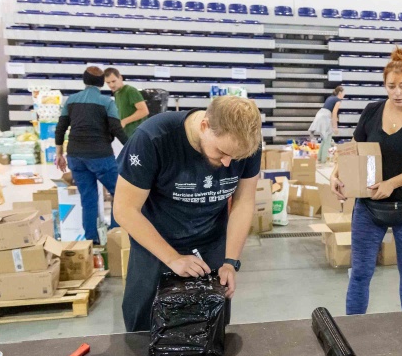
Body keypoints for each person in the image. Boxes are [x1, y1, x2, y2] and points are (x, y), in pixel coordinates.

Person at [113, 96, 262, 332]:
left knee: (208, 331)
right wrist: (172, 258)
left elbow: (243, 202)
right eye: (221, 152)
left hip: (210, 244)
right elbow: (124, 209)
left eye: (236, 158)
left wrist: (230, 261)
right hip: (156, 246)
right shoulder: (153, 138)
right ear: (204, 125)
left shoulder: (245, 145)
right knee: (145, 331)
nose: (227, 163)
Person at [330, 48, 402, 315]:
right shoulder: (371, 111)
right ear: (385, 86)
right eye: (391, 86)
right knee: (360, 272)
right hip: (369, 206)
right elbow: (354, 149)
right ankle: (353, 329)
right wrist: (338, 174)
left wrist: (392, 183)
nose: (397, 92)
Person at [54, 66, 127, 244]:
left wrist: (59, 154)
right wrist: (133, 147)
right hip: (100, 156)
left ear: (84, 80)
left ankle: (91, 241)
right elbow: (116, 129)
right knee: (119, 193)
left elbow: (60, 128)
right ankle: (114, 237)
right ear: (102, 82)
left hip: (75, 156)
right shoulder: (107, 102)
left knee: (88, 198)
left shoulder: (71, 100)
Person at [103, 67, 149, 140]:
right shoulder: (117, 93)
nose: (111, 85)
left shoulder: (130, 90)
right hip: (128, 135)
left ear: (120, 78)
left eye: (113, 81)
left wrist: (124, 121)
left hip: (137, 135)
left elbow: (144, 111)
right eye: (108, 82)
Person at [310, 86, 344, 164]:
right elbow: (334, 113)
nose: (344, 95)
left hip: (320, 114)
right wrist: (335, 127)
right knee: (328, 139)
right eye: (343, 93)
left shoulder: (330, 98)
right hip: (325, 117)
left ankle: (320, 158)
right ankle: (324, 160)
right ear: (340, 93)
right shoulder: (338, 100)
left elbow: (331, 112)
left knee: (324, 139)